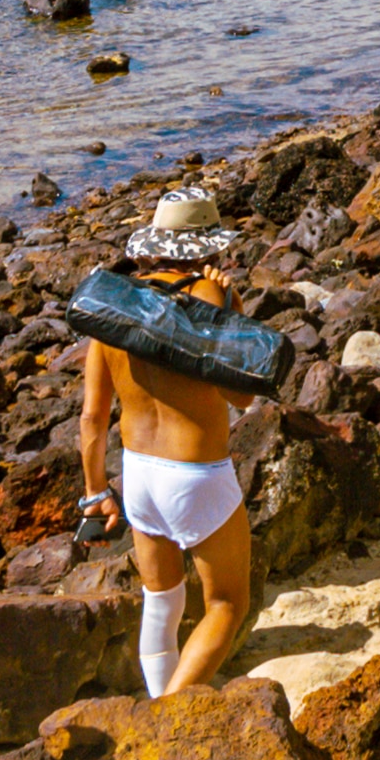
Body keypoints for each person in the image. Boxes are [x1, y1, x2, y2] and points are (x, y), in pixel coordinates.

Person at [79, 191, 255, 696]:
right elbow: (240, 394)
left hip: (138, 475)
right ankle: (172, 716)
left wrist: (95, 492)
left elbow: (93, 417)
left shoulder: (111, 308)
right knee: (225, 607)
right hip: (197, 476)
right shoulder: (208, 295)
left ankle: (160, 701)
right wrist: (233, 305)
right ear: (208, 251)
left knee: (162, 602)